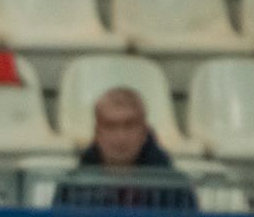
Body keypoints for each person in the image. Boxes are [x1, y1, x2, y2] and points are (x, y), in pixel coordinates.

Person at [54, 86, 196, 210]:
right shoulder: (71, 186)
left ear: (144, 132)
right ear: (97, 133)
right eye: (110, 126)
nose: (120, 137)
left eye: (129, 125)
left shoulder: (175, 187)